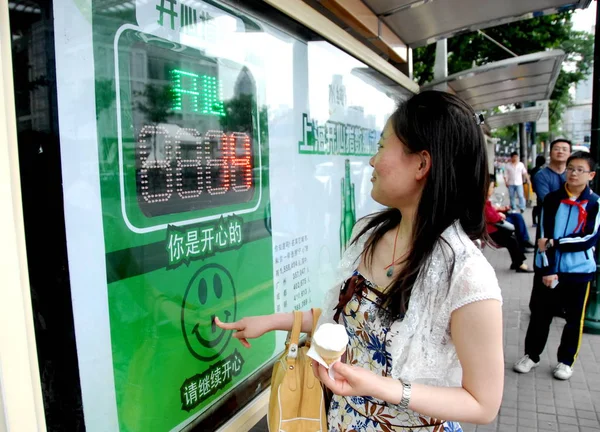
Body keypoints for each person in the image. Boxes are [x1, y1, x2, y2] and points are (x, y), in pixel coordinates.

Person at [216, 91, 504, 431]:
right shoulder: (369, 234)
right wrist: (271, 321)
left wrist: (378, 387)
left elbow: (483, 404)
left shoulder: (467, 274)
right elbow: (347, 320)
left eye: (382, 147)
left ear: (422, 164)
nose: (371, 161)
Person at [514, 152, 599, 380]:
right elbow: (543, 237)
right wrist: (549, 269)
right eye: (570, 168)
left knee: (574, 320)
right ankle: (531, 355)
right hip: (550, 269)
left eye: (580, 169)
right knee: (541, 315)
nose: (573, 173)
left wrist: (556, 243)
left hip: (580, 271)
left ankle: (566, 361)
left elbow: (589, 238)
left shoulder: (595, 203)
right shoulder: (552, 199)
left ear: (590, 174)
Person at [485, 181, 534, 273]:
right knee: (512, 241)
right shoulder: (482, 202)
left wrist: (499, 211)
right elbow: (490, 217)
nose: (493, 189)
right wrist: (500, 215)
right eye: (491, 188)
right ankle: (519, 264)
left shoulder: (485, 201)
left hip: (494, 228)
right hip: (492, 231)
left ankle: (517, 262)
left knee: (512, 239)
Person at [529, 155, 547, 227]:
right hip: (539, 192)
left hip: (533, 191)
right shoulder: (541, 171)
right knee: (539, 207)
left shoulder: (533, 170)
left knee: (535, 207)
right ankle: (539, 221)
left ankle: (534, 221)